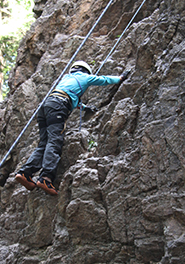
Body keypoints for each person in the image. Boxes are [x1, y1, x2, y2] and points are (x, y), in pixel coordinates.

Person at [15, 60, 130, 196]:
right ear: (85, 71)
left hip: (46, 106)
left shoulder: (66, 78)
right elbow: (103, 80)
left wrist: (85, 108)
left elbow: (70, 95)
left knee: (44, 143)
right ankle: (45, 178)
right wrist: (120, 78)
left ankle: (25, 173)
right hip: (58, 106)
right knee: (54, 141)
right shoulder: (84, 77)